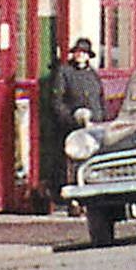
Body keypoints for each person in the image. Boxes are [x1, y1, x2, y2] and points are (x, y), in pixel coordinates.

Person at [49, 37, 106, 211]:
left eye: (84, 53)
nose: (81, 55)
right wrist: (72, 117)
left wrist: (100, 119)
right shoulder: (64, 72)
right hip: (72, 127)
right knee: (72, 165)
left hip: (93, 126)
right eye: (78, 52)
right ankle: (73, 201)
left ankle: (92, 197)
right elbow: (57, 101)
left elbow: (100, 99)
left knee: (92, 162)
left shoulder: (93, 75)